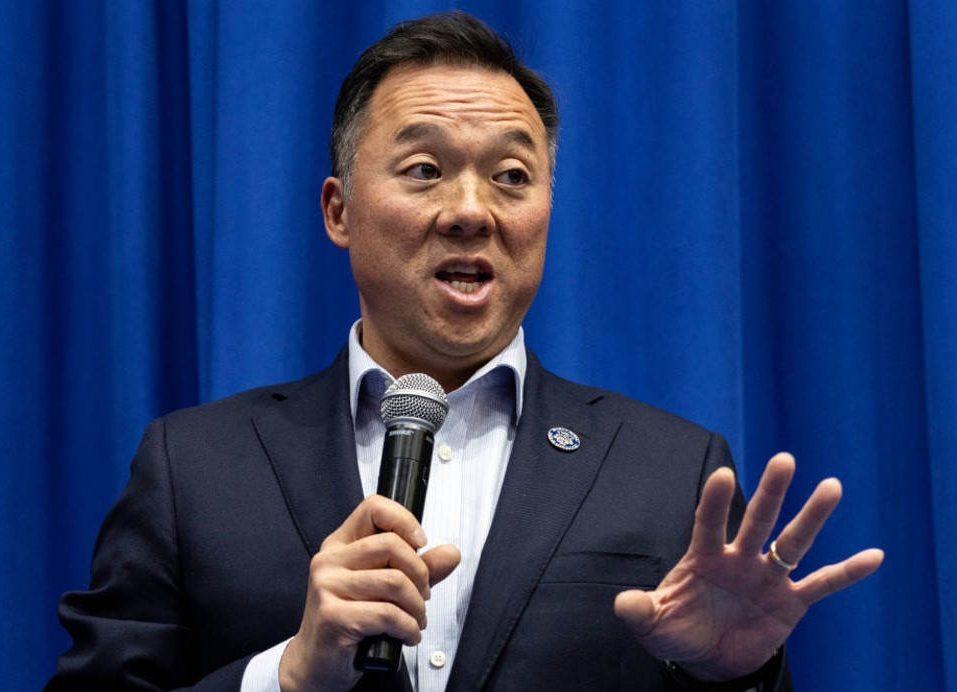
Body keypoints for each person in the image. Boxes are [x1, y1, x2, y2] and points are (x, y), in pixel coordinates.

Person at [48, 11, 883, 691]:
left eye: (513, 177)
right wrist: (286, 675)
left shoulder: (672, 471)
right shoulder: (194, 468)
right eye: (423, 169)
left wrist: (730, 680)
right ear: (338, 211)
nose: (471, 210)